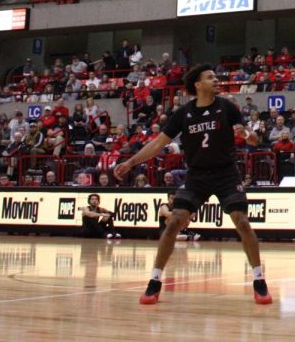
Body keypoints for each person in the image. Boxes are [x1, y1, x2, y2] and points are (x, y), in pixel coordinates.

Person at [114, 64, 271, 305]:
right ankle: (155, 281)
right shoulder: (183, 114)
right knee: (175, 221)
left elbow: (253, 138)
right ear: (198, 85)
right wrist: (131, 162)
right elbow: (157, 144)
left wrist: (246, 135)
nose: (216, 80)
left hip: (226, 173)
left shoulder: (227, 107)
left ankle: (259, 280)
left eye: (215, 77)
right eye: (210, 77)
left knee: (241, 220)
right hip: (197, 175)